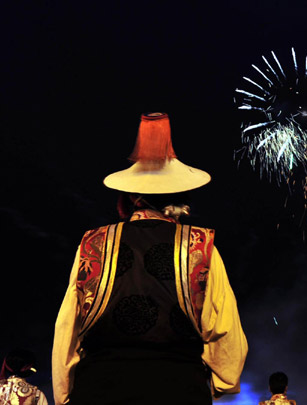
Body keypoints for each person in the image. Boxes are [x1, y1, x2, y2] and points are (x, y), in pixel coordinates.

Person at [52, 112, 248, 404]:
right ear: (182, 196)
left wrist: (66, 393)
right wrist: (219, 382)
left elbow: (68, 329)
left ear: (131, 196)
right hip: (178, 388)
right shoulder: (200, 247)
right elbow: (225, 331)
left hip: (99, 388)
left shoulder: (93, 245)